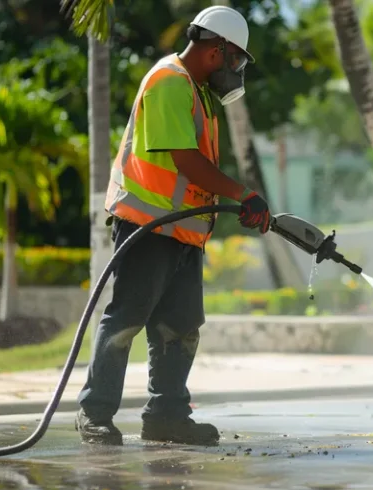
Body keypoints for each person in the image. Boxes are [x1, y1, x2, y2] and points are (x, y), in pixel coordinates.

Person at [75, 6, 270, 446]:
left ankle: (166, 416)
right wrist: (242, 194)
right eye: (236, 58)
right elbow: (185, 160)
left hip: (182, 232)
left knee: (181, 326)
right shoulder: (169, 81)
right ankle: (95, 412)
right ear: (215, 49)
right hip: (148, 225)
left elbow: (190, 171)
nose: (236, 69)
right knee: (126, 317)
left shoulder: (199, 94)